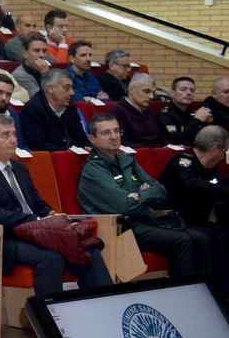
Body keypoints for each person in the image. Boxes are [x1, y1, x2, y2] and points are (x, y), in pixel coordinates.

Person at [0, 113, 112, 298]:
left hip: (35, 233)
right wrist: (35, 220)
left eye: (14, 134)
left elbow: (37, 203)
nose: (13, 140)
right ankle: (48, 312)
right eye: (5, 135)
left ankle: (103, 301)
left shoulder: (20, 168)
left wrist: (49, 214)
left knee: (88, 249)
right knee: (52, 257)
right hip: (3, 238)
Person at [82, 111, 214, 276]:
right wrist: (142, 194)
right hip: (119, 227)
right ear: (92, 139)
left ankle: (202, 288)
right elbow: (124, 206)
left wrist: (138, 196)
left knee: (202, 238)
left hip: (144, 220)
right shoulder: (93, 170)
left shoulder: (127, 160)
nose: (114, 137)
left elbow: (161, 192)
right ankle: (181, 290)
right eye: (106, 133)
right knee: (182, 241)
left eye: (116, 131)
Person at [160, 125, 229, 231]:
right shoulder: (182, 163)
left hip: (199, 218)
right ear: (214, 149)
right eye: (223, 152)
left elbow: (216, 181)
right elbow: (191, 184)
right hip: (177, 220)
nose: (223, 157)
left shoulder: (207, 166)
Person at [20, 69, 89, 152]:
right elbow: (37, 145)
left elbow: (81, 138)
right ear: (50, 89)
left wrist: (87, 147)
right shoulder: (32, 110)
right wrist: (65, 151)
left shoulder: (70, 107)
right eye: (67, 88)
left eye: (71, 88)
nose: (72, 93)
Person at [113, 71, 168, 148]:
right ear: (132, 90)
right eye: (146, 91)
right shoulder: (117, 112)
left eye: (153, 92)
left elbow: (160, 137)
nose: (151, 96)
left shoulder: (149, 111)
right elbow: (122, 143)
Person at [160, 76, 213, 148]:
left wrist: (208, 123)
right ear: (172, 93)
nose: (189, 93)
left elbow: (207, 139)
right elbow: (177, 141)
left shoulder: (193, 111)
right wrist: (197, 120)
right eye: (183, 89)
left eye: (192, 90)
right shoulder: (166, 114)